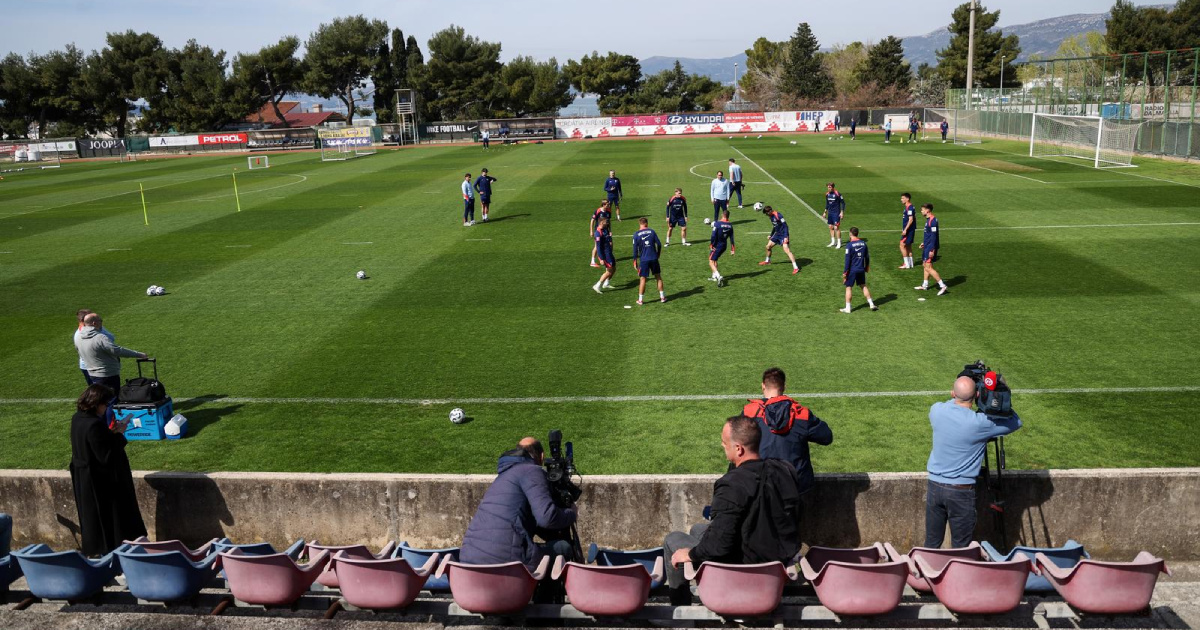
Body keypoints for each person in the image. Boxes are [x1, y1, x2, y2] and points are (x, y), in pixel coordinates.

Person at [661, 416, 802, 605]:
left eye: (724, 442)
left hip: (744, 567)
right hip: (775, 559)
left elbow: (719, 545)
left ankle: (680, 610)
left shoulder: (732, 484)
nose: (722, 445)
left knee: (673, 540)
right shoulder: (785, 470)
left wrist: (690, 554)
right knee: (697, 530)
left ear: (739, 449)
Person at [925, 377, 1022, 548]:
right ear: (977, 394)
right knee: (961, 548)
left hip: (934, 487)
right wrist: (999, 395)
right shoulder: (981, 423)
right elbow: (1015, 421)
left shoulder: (936, 411)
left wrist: (963, 390)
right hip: (960, 493)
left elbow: (952, 402)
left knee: (931, 543)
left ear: (952, 393)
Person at [460, 437, 577, 571]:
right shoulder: (531, 471)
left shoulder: (503, 477)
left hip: (467, 563)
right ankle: (546, 592)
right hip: (508, 564)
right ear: (542, 456)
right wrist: (571, 513)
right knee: (564, 547)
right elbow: (547, 518)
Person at [70, 383, 147, 556]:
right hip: (100, 482)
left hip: (85, 477)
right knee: (110, 521)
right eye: (105, 404)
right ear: (97, 404)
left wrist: (110, 434)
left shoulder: (78, 418)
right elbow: (106, 455)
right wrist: (120, 434)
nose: (106, 408)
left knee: (93, 522)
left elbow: (95, 445)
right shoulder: (93, 425)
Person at [741, 367, 832, 495]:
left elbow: (737, 444)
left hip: (761, 484)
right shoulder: (802, 414)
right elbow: (827, 436)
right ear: (784, 387)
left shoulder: (749, 412)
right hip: (796, 486)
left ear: (763, 386)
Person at [75, 313, 148, 395]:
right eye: (100, 321)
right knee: (111, 400)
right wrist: (139, 354)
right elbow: (117, 351)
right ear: (94, 323)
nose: (102, 323)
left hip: (91, 373)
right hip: (107, 374)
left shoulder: (78, 336)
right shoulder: (100, 338)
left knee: (100, 400)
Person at [840, 227, 877, 313]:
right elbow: (867, 257)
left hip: (852, 270)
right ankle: (871, 304)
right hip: (861, 269)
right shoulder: (863, 243)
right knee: (863, 286)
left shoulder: (849, 245)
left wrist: (845, 272)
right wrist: (867, 266)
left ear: (850, 233)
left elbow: (847, 260)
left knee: (848, 287)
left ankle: (848, 308)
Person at [916, 203, 949, 295]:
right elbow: (929, 234)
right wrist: (924, 243)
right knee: (924, 264)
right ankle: (925, 285)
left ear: (928, 210)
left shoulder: (933, 221)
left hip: (930, 247)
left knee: (929, 267)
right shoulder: (928, 220)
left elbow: (934, 236)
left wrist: (932, 250)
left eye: (922, 209)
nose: (921, 211)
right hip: (927, 245)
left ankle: (942, 285)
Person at [74, 308, 112, 385]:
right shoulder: (80, 334)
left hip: (97, 365)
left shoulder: (96, 328)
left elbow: (111, 338)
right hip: (93, 367)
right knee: (99, 393)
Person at [632, 217, 665, 305]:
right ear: (646, 223)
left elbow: (635, 250)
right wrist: (658, 254)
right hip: (654, 258)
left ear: (640, 224)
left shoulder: (636, 234)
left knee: (643, 279)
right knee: (658, 276)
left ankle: (640, 300)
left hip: (644, 260)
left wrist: (634, 261)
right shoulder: (652, 231)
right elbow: (659, 244)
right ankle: (662, 297)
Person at [758, 205, 800, 274]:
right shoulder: (771, 217)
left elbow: (785, 226)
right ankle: (767, 261)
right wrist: (771, 235)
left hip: (783, 235)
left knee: (786, 250)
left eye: (766, 213)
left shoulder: (778, 215)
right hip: (777, 234)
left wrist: (786, 236)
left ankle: (796, 267)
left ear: (769, 211)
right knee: (768, 246)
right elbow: (775, 226)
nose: (766, 215)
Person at [708, 209, 735, 286]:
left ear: (722, 215)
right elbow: (732, 238)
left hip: (717, 245)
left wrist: (711, 244)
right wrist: (732, 249)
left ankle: (718, 276)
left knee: (710, 261)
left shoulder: (717, 224)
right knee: (714, 260)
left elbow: (713, 235)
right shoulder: (730, 225)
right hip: (724, 246)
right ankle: (714, 277)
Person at [592, 216, 615, 293]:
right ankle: (597, 285)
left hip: (609, 253)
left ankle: (606, 283)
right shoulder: (598, 233)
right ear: (601, 222)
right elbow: (598, 248)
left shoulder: (605, 229)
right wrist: (601, 259)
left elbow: (608, 239)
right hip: (605, 255)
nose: (607, 223)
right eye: (606, 222)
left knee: (614, 268)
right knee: (609, 271)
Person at [589, 200, 612, 267]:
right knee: (597, 246)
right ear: (603, 205)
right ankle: (592, 261)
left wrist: (610, 230)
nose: (609, 205)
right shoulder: (598, 211)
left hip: (606, 231)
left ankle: (608, 257)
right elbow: (592, 220)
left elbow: (608, 221)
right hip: (599, 231)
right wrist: (591, 230)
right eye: (607, 204)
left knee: (610, 244)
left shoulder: (608, 211)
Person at [823, 182, 845, 248]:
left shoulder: (837, 194)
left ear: (833, 187)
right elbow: (827, 204)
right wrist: (825, 212)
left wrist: (842, 212)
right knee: (830, 227)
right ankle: (833, 242)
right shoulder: (827, 194)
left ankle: (839, 243)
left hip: (836, 213)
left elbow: (843, 203)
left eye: (829, 187)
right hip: (830, 213)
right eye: (828, 187)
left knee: (836, 227)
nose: (828, 188)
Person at [898, 193, 917, 269]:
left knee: (902, 245)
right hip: (909, 229)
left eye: (903, 198)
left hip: (908, 230)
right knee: (908, 246)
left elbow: (911, 219)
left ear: (907, 199)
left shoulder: (909, 208)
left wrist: (905, 229)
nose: (901, 200)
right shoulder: (908, 207)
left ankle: (906, 264)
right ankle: (911, 263)